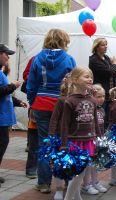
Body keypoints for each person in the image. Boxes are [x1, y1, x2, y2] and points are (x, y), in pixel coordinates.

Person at [26, 29, 76, 193]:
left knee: (44, 143)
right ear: (64, 41)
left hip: (41, 103)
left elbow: (31, 84)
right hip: (62, 105)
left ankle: (43, 184)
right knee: (65, 143)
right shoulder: (69, 59)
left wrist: (32, 103)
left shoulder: (37, 59)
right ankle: (68, 182)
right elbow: (73, 85)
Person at [60, 67, 101, 200]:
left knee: (81, 173)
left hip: (89, 141)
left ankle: (77, 197)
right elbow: (64, 124)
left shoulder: (93, 100)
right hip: (75, 141)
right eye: (86, 76)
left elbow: (95, 122)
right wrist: (64, 144)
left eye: (91, 76)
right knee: (78, 174)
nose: (90, 79)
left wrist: (99, 140)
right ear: (75, 80)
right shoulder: (69, 101)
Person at [0, 44, 25, 186]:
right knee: (2, 144)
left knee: (3, 144)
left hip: (3, 118)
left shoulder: (1, 73)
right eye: (6, 54)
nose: (8, 57)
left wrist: (17, 101)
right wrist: (13, 86)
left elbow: (5, 95)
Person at [81, 84, 108, 195]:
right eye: (99, 96)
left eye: (103, 96)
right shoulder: (89, 109)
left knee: (96, 164)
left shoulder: (102, 110)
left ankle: (95, 181)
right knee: (88, 164)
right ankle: (86, 185)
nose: (101, 99)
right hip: (89, 139)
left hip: (98, 139)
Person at [89, 38, 116, 129]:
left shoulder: (106, 58)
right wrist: (114, 64)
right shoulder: (94, 60)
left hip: (110, 92)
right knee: (100, 114)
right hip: (100, 92)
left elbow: (114, 73)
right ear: (96, 47)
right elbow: (109, 72)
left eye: (106, 44)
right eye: (103, 45)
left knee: (108, 114)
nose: (106, 47)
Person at [48, 73, 70, 200]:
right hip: (60, 137)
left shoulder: (78, 99)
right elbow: (54, 119)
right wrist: (51, 135)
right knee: (59, 163)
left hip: (73, 137)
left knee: (70, 164)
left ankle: (70, 186)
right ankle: (59, 189)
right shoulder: (61, 100)